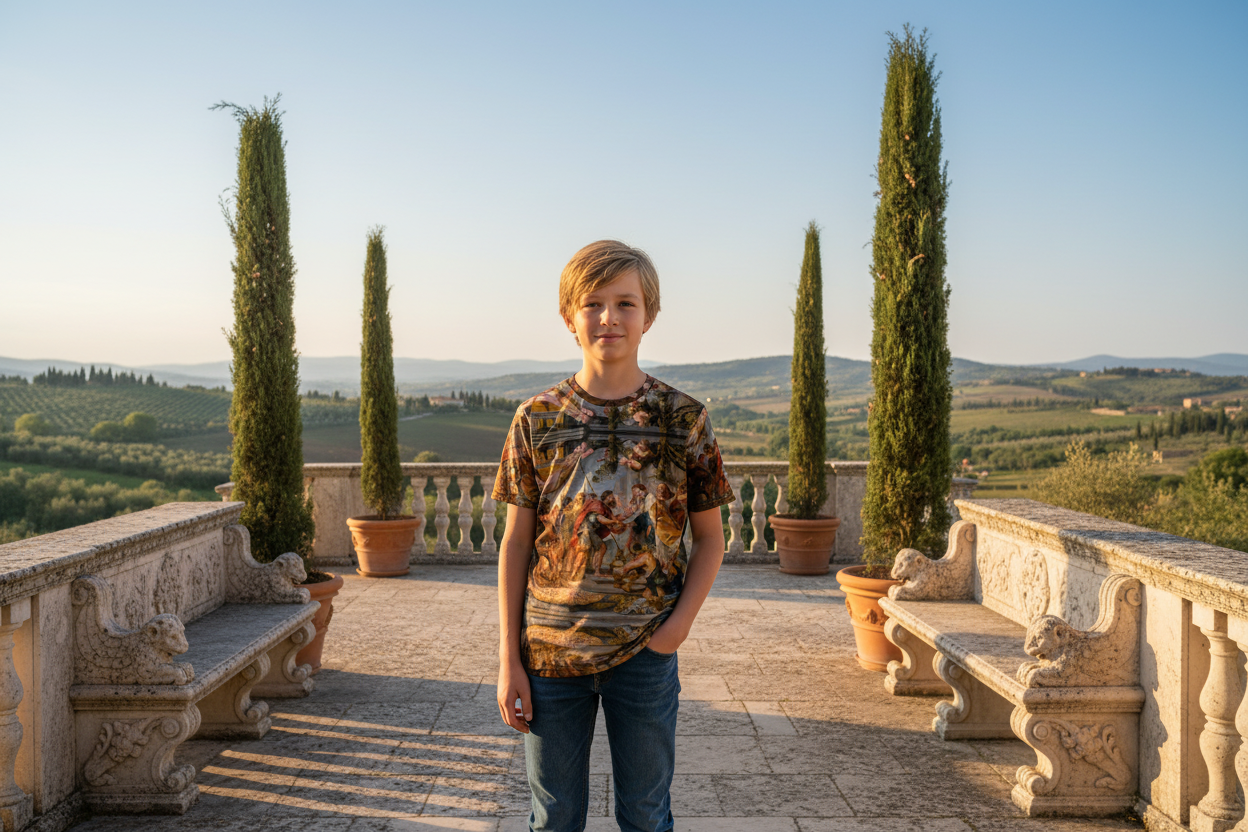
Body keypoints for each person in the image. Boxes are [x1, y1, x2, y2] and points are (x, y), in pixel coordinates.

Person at [493, 240, 734, 832]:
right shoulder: (536, 419)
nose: (609, 318)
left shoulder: (683, 419)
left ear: (648, 315)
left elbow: (711, 539)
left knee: (647, 818)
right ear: (568, 316)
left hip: (645, 655)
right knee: (554, 820)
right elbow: (516, 543)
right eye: (593, 303)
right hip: (550, 654)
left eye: (625, 303)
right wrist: (509, 658)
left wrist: (674, 632)